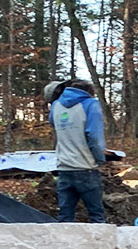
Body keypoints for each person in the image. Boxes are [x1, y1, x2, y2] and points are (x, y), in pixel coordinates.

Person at [44, 78, 106, 223]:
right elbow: (95, 138)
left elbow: (57, 128)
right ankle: (100, 245)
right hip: (86, 168)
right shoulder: (91, 104)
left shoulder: (56, 106)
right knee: (96, 217)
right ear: (89, 91)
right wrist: (100, 158)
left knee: (65, 218)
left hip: (64, 168)